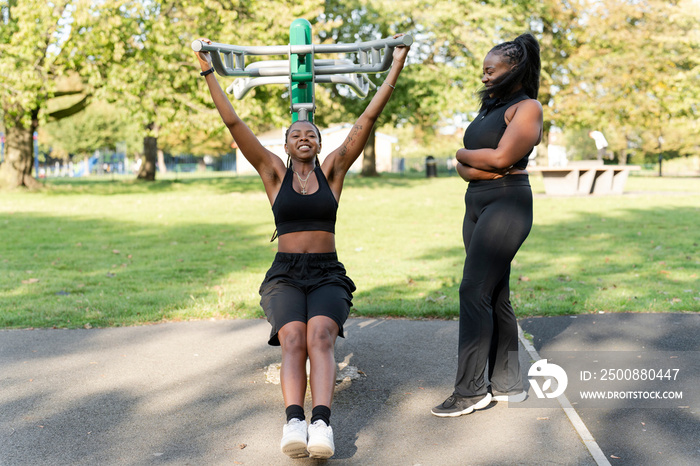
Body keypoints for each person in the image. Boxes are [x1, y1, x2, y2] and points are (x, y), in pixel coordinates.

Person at [195, 36, 410, 457]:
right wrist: (207, 71)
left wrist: (395, 68)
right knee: (293, 337)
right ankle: (294, 421)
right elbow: (235, 125)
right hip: (286, 274)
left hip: (327, 271)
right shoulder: (273, 173)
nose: (305, 137)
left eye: (311, 133)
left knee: (321, 335)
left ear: (320, 143)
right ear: (287, 145)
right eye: (297, 134)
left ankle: (322, 426)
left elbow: (365, 120)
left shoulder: (333, 171)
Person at [431, 33, 543, 417]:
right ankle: (508, 384)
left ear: (514, 69)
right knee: (495, 293)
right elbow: (480, 166)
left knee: (473, 290)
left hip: (508, 203)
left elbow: (499, 160)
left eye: (490, 70)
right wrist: (477, 165)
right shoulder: (491, 108)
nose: (483, 76)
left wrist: (463, 155)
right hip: (477, 203)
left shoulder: (527, 108)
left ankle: (470, 391)